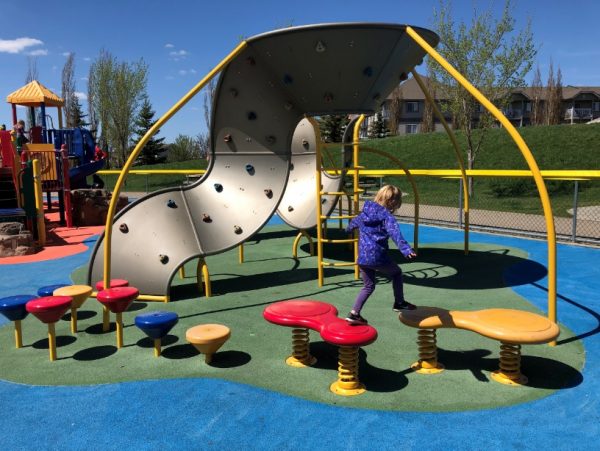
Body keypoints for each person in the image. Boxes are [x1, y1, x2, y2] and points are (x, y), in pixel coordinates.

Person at [345, 185, 417, 325]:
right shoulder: (387, 217)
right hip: (377, 256)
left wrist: (347, 229)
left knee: (368, 286)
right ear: (392, 202)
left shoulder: (364, 213)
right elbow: (395, 234)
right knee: (397, 273)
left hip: (363, 258)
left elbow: (352, 224)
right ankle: (399, 302)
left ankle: (354, 314)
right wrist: (406, 250)